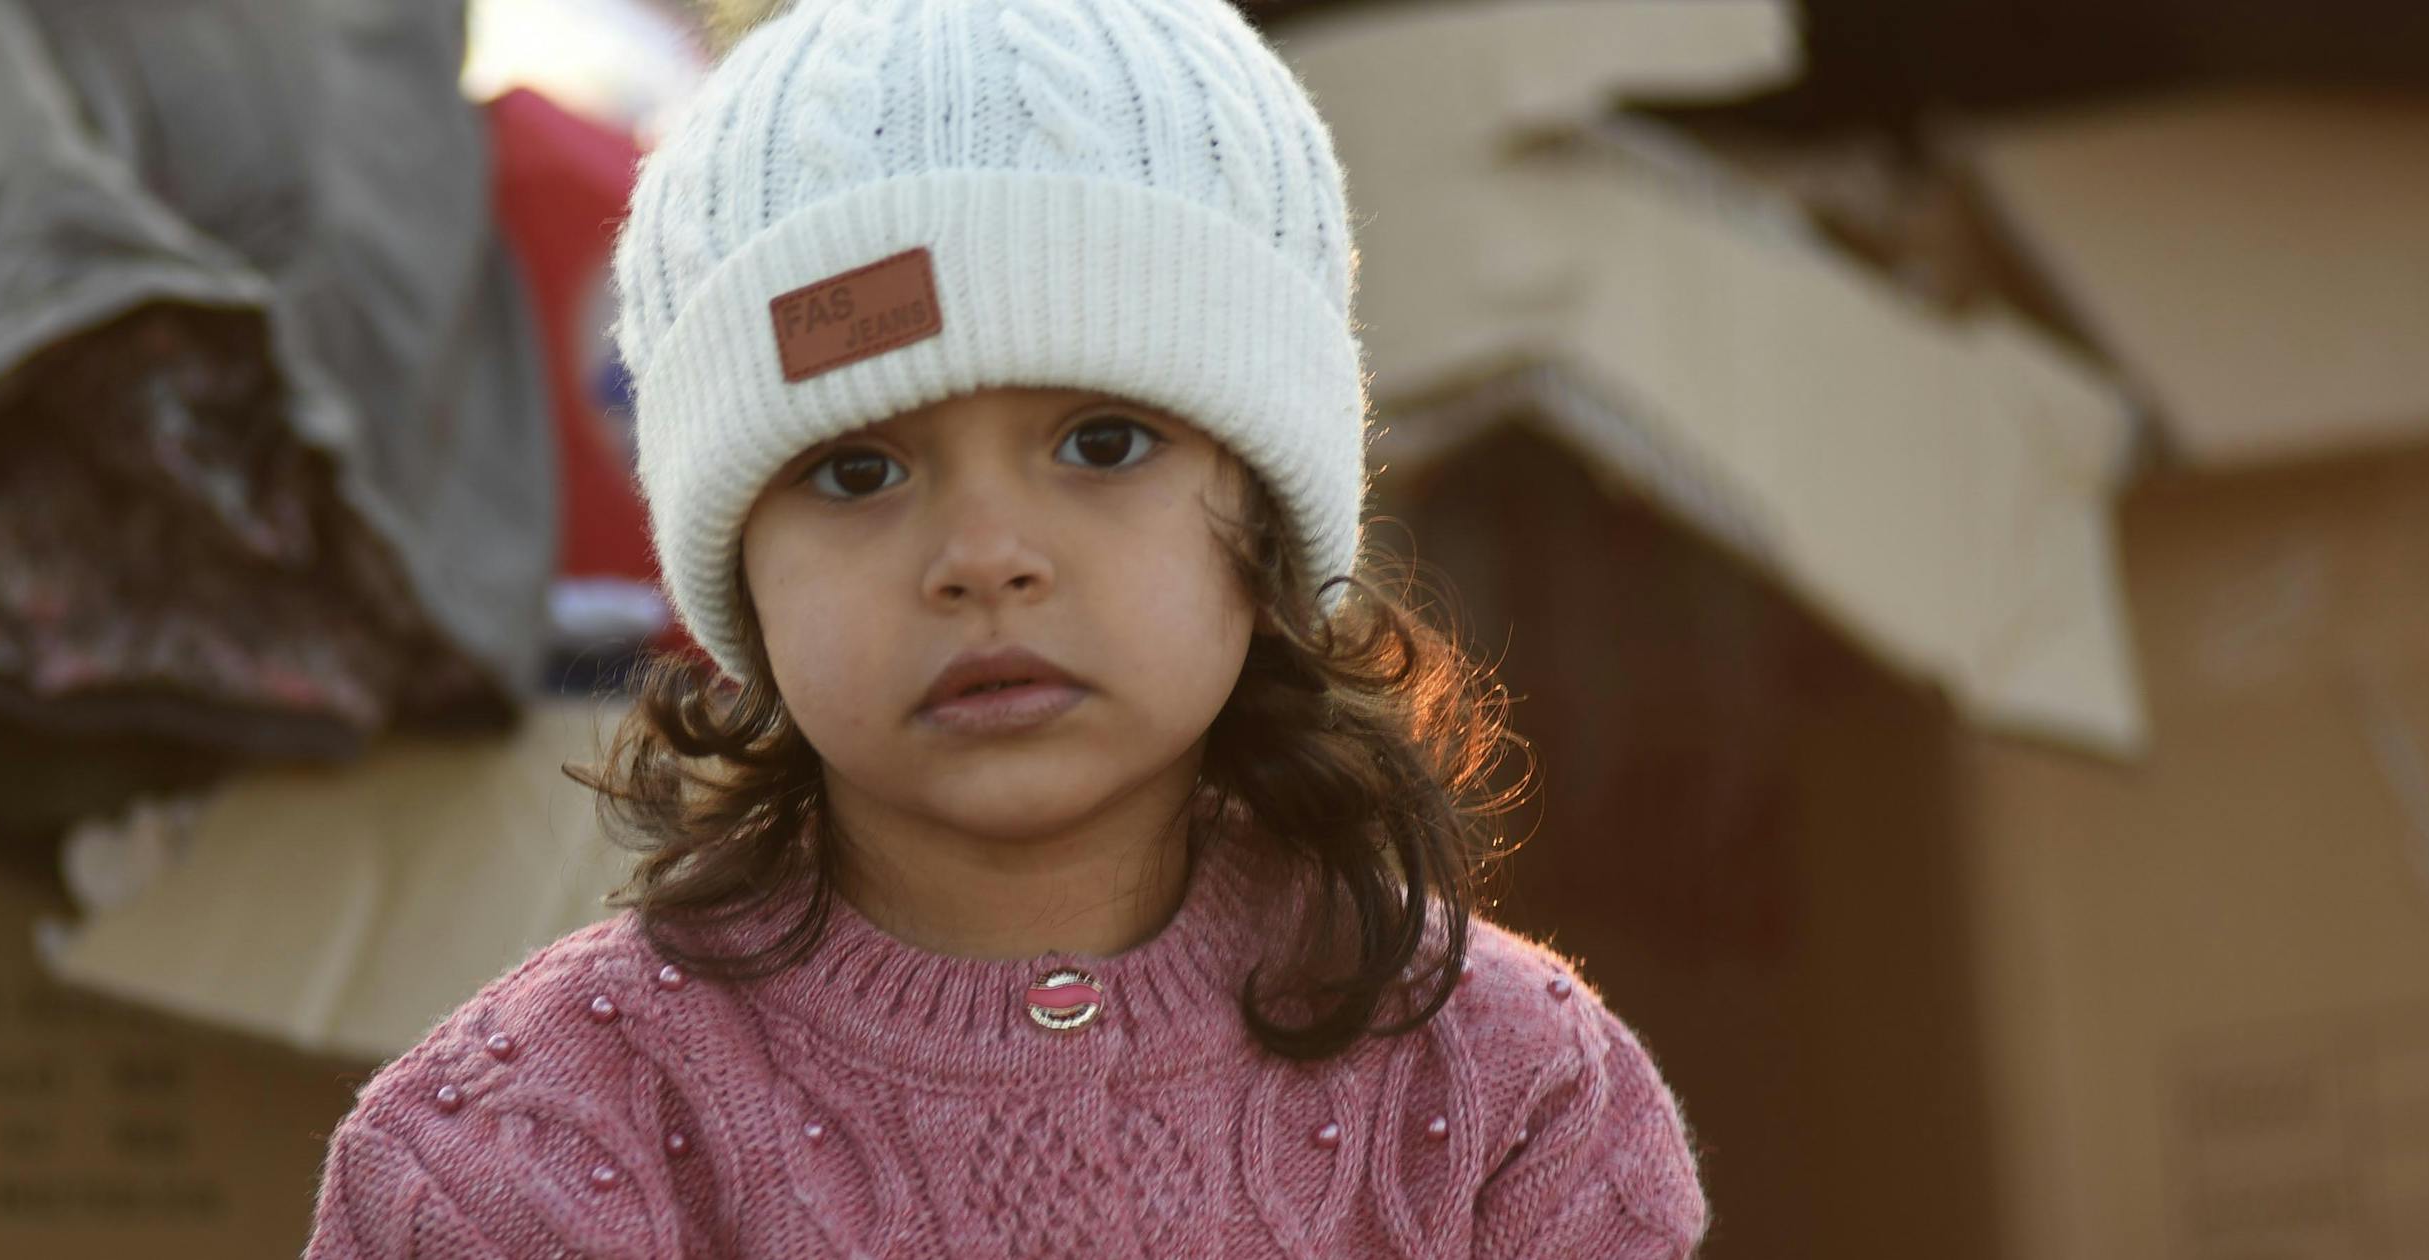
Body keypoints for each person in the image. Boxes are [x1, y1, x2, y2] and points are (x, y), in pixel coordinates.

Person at [304, 0, 1707, 1254]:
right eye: (858, 470)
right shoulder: (511, 1158)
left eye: (1101, 443)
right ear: (735, 563)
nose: (985, 559)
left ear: (1271, 512)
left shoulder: (1510, 1099)